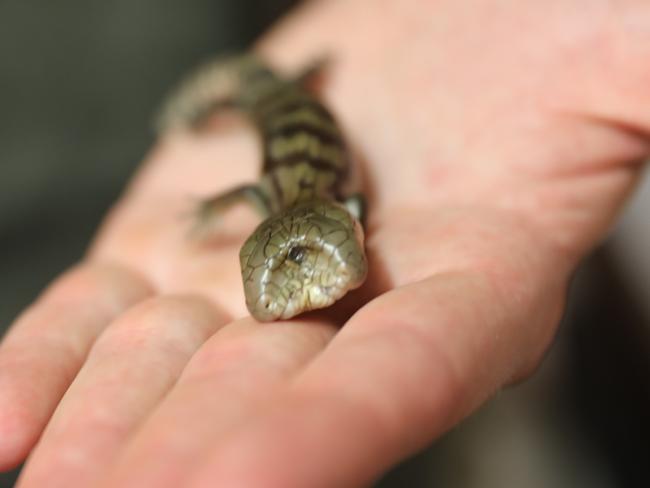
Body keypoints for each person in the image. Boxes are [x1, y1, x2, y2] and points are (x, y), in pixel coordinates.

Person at [1, 0, 648, 486]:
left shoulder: (320, 200)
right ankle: (240, 93)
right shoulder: (284, 195)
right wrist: (206, 206)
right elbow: (254, 199)